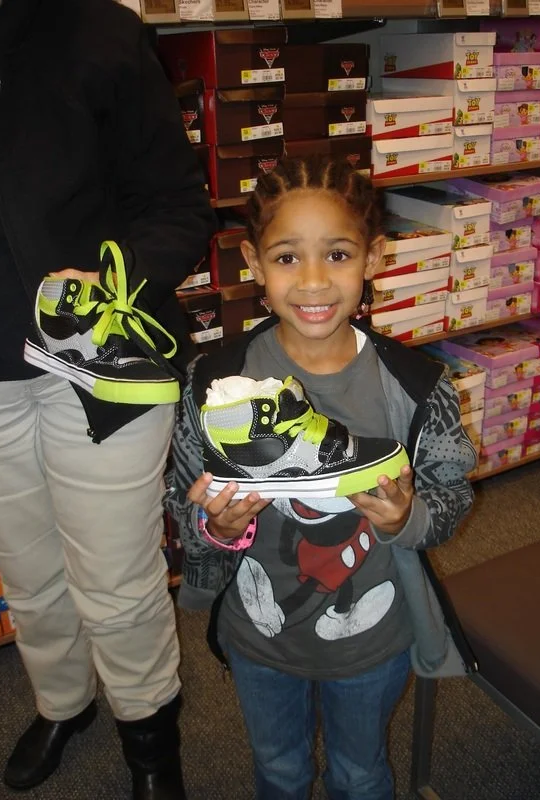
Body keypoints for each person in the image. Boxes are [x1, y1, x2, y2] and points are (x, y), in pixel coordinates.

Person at [165, 156, 477, 800]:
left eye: (337, 255)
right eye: (286, 258)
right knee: (278, 771)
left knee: (361, 775)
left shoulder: (417, 387)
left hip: (373, 643)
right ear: (252, 262)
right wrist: (215, 527)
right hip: (259, 643)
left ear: (374, 257)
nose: (313, 282)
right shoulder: (212, 383)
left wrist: (408, 516)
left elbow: (454, 492)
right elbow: (181, 501)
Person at [0, 0, 215, 798]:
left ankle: (151, 740)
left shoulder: (97, 31)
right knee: (27, 570)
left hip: (102, 363)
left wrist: (113, 276)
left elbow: (181, 207)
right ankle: (64, 703)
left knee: (114, 577)